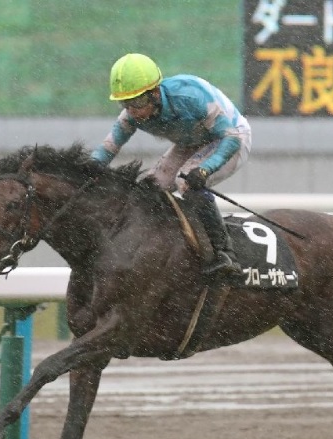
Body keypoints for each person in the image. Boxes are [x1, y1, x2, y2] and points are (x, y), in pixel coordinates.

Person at [91, 53, 251, 277]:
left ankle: (224, 253)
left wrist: (204, 169)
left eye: (137, 102)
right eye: (125, 103)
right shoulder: (130, 115)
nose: (133, 110)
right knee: (148, 189)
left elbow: (231, 138)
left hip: (230, 139)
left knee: (186, 183)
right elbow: (108, 148)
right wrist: (86, 172)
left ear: (155, 93)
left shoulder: (189, 97)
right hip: (191, 141)